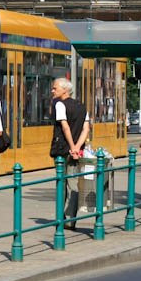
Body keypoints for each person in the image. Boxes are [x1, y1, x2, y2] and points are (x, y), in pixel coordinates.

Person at [50, 78, 91, 229]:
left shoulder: (60, 104)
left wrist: (71, 147)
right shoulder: (81, 106)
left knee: (61, 183)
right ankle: (70, 219)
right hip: (77, 151)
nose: (52, 91)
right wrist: (77, 148)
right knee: (73, 184)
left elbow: (65, 127)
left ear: (64, 90)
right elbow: (86, 129)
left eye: (55, 88)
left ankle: (61, 218)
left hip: (62, 149)